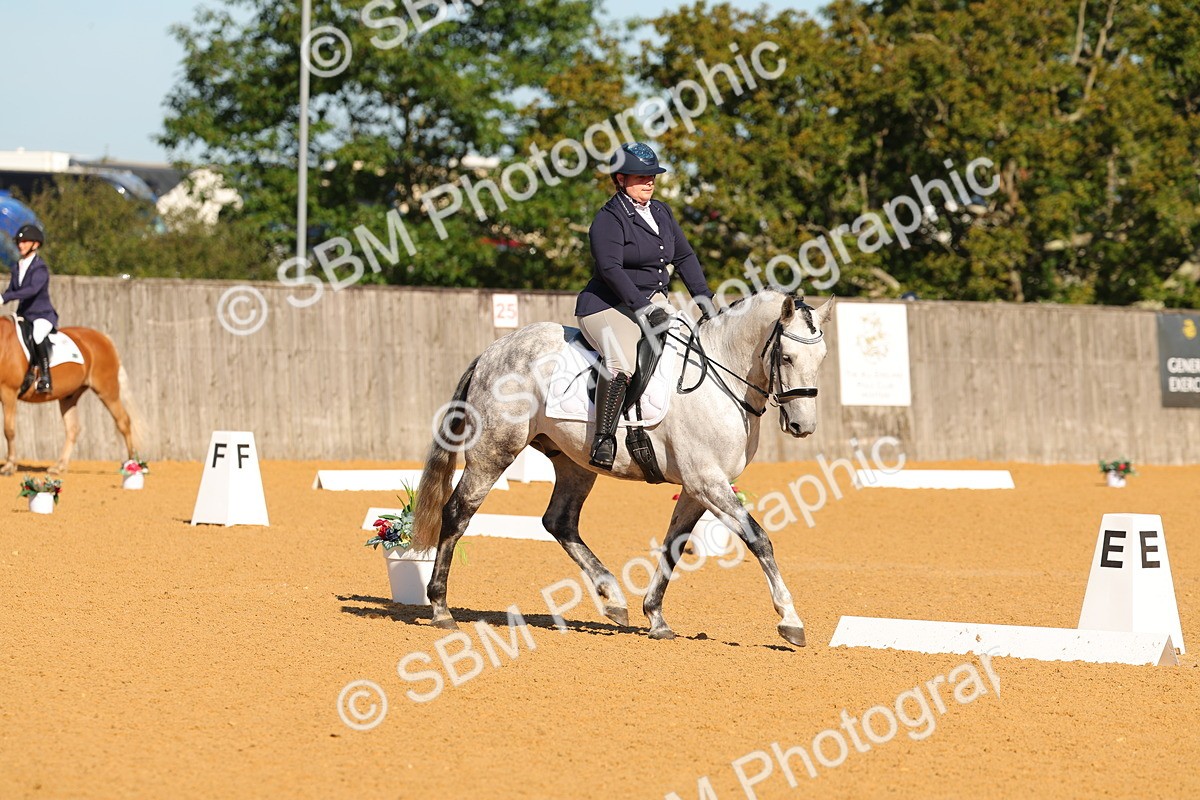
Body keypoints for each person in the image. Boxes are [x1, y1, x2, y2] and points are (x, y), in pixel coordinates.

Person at [575, 142, 715, 470]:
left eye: (652, 176)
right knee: (621, 359)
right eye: (641, 176)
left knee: (690, 347)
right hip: (607, 305)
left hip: (653, 299)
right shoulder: (608, 220)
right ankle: (604, 439)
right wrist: (641, 307)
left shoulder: (662, 212)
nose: (649, 181)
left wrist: (704, 300)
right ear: (620, 179)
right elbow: (611, 270)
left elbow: (684, 256)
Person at [4, 225, 59, 393]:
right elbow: (11, 290)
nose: (21, 245)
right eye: (19, 242)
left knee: (37, 334)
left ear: (35, 244)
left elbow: (32, 290)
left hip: (42, 315)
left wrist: (6, 297)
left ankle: (45, 377)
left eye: (25, 242)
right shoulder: (17, 268)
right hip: (24, 315)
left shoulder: (40, 268)